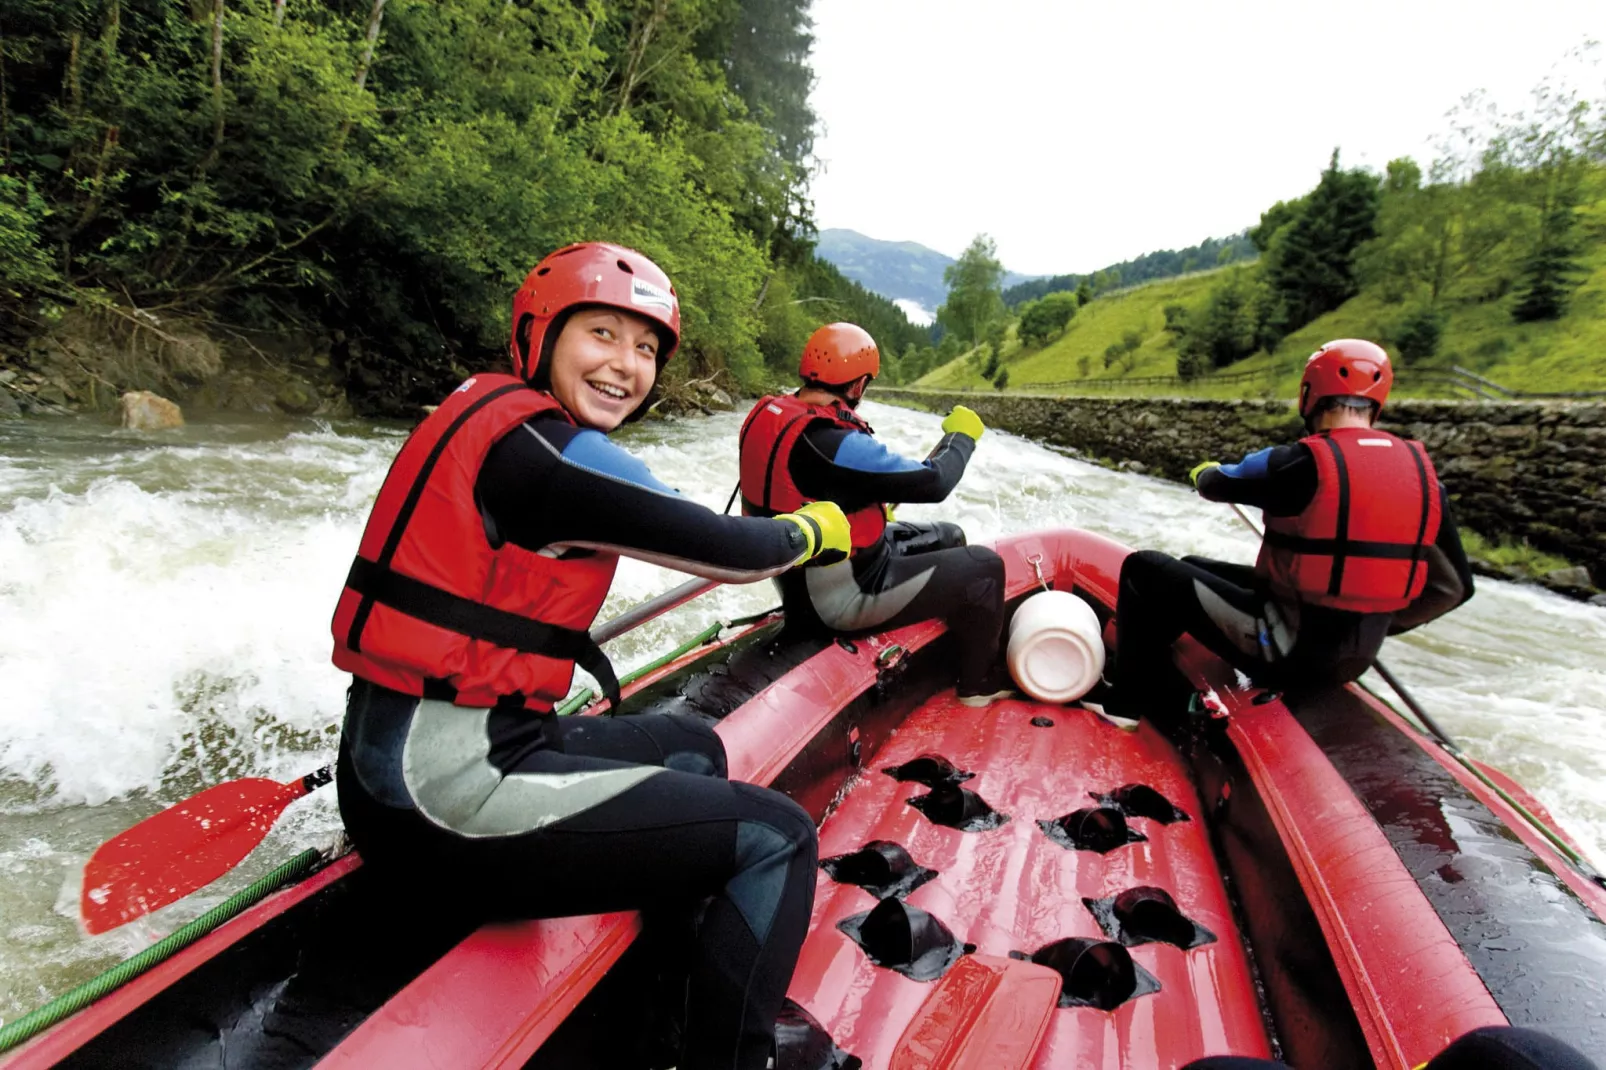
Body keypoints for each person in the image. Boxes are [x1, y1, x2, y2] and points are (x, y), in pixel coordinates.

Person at [329, 242, 853, 1070]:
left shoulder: (510, 426)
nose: (626, 365)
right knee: (777, 838)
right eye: (602, 334)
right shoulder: (542, 454)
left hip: (441, 749)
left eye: (646, 348)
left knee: (696, 749)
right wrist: (813, 527)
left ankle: (679, 995)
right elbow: (731, 548)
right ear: (539, 334)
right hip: (441, 793)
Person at [1104, 338, 1474, 727]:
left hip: (1283, 653)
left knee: (1143, 569)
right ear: (1378, 403)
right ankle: (1166, 673)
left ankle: (1126, 703)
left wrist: (1202, 472)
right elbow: (1454, 589)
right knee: (1193, 566)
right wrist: (1378, 619)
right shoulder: (1426, 481)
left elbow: (1217, 483)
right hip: (1355, 660)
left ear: (1309, 395)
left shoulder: (1296, 463)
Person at [734, 322, 1012, 706]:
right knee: (986, 568)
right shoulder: (832, 442)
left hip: (806, 580)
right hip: (841, 598)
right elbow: (934, 482)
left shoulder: (777, 413)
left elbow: (829, 484)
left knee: (950, 535)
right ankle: (978, 684)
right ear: (857, 385)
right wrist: (960, 438)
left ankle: (949, 645)